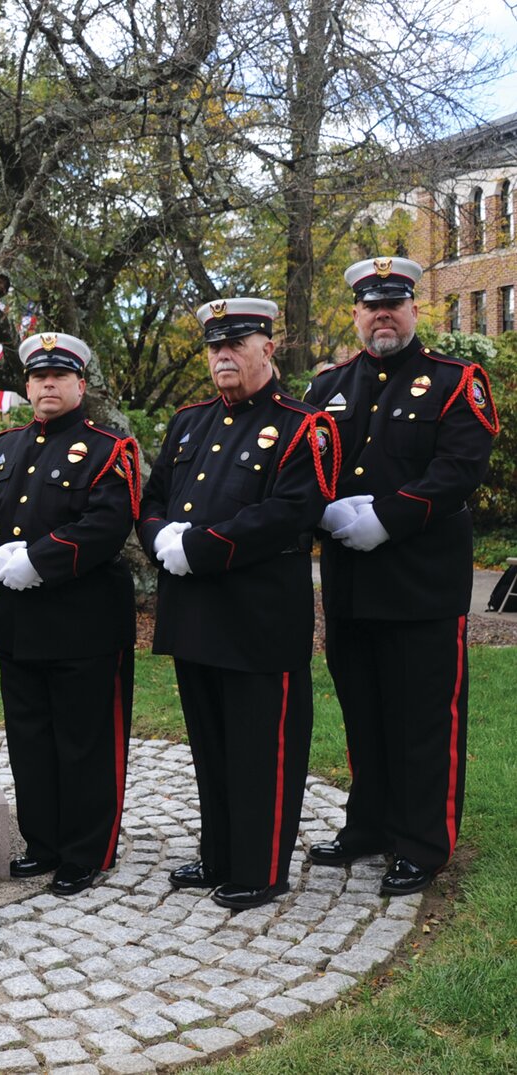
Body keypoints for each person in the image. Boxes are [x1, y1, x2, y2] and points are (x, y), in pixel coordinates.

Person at [302, 257, 499, 895]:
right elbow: (303, 466)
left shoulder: (454, 380)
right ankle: (370, 826)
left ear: (414, 310)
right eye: (370, 305)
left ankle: (422, 842)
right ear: (357, 313)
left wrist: (387, 517)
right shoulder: (327, 387)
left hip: (420, 583)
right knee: (364, 712)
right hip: (352, 585)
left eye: (394, 303)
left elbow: (459, 470)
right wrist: (319, 509)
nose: (382, 315)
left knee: (422, 718)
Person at [138, 299, 339, 910]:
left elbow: (289, 513)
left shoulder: (307, 426)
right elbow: (152, 499)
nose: (223, 355)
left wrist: (197, 545)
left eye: (237, 343)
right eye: (214, 346)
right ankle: (220, 852)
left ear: (267, 348)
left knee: (262, 748)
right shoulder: (189, 422)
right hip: (195, 613)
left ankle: (260, 867)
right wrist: (158, 537)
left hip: (258, 618)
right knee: (212, 745)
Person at [0, 333, 140, 896]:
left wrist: (38, 560)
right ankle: (42, 843)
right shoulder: (2, 448)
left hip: (83, 623)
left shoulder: (109, 449)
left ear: (80, 385)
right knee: (30, 739)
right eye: (39, 377)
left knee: (84, 742)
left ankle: (86, 852)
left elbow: (107, 527)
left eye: (60, 376)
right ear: (26, 384)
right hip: (19, 624)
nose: (47, 385)